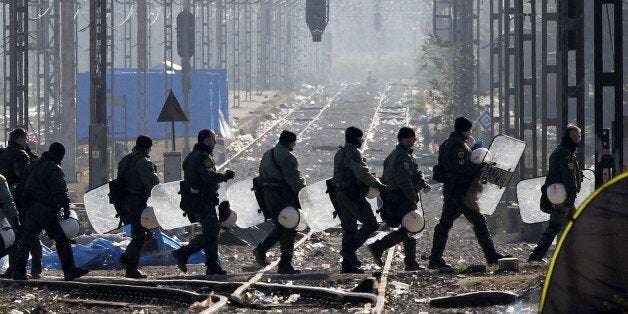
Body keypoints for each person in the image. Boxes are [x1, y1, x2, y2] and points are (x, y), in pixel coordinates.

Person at [428, 117, 509, 269]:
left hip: (452, 191)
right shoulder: (459, 145)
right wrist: (483, 167)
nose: (471, 132)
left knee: (444, 224)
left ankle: (435, 258)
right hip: (462, 192)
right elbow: (463, 168)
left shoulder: (446, 144)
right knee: (479, 221)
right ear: (465, 130)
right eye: (470, 129)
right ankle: (491, 256)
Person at [12, 142, 89, 281]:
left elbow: (21, 185)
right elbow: (59, 190)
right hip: (46, 209)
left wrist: (23, 207)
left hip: (30, 208)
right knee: (61, 239)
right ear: (60, 155)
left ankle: (18, 271)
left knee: (26, 241)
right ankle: (69, 270)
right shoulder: (53, 168)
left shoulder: (33, 165)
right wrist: (65, 207)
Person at [172, 129, 235, 275]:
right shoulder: (204, 157)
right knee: (211, 232)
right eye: (213, 139)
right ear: (206, 140)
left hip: (193, 200)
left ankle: (213, 267)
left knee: (211, 232)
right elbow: (208, 176)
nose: (215, 142)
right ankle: (183, 253)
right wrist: (225, 176)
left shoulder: (191, 156)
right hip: (203, 201)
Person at [367, 127, 429, 271]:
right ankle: (379, 246)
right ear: (405, 139)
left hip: (394, 198)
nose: (415, 140)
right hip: (403, 198)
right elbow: (404, 180)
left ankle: (410, 263)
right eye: (413, 137)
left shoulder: (393, 155)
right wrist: (412, 197)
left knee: (410, 228)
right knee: (411, 227)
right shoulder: (403, 157)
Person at [332, 126, 387, 273]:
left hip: (340, 194)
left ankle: (347, 266)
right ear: (357, 138)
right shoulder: (354, 153)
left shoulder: (340, 153)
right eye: (361, 138)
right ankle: (349, 251)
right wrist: (377, 184)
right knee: (371, 223)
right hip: (352, 195)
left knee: (349, 229)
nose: (362, 141)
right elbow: (361, 172)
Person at [252, 130, 306, 274]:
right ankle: (276, 259)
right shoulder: (288, 157)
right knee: (288, 227)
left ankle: (282, 263)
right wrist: (304, 194)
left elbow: (261, 175)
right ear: (291, 142)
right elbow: (293, 179)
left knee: (282, 226)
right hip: (282, 196)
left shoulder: (268, 154)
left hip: (268, 195)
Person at [528, 124, 582, 262]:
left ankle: (574, 255)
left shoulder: (562, 151)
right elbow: (568, 178)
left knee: (572, 225)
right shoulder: (565, 154)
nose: (577, 139)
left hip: (560, 194)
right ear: (568, 136)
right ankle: (535, 257)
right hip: (563, 195)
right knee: (555, 226)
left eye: (579, 136)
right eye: (574, 136)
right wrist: (571, 197)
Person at [0, 128, 42, 279]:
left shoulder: (2, 153)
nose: (26, 142)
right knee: (29, 231)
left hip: (3, 201)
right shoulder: (21, 155)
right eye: (26, 139)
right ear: (21, 139)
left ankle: (12, 267)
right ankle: (36, 267)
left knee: (12, 233)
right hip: (19, 198)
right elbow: (25, 177)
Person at [116, 135, 160, 278]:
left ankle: (126, 259)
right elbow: (153, 183)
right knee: (139, 236)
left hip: (124, 202)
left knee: (142, 234)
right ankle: (131, 269)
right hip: (137, 202)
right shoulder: (142, 162)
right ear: (147, 147)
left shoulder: (125, 159)